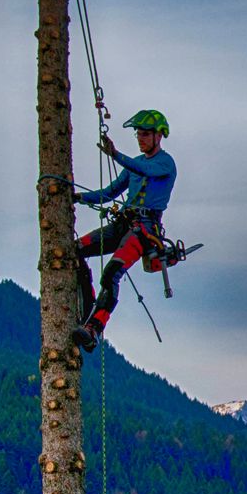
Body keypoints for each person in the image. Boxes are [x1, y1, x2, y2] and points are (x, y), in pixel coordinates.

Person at [71, 109, 176, 352]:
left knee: (112, 273)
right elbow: (109, 193)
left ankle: (93, 329)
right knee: (77, 249)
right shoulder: (134, 165)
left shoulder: (165, 163)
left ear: (159, 136)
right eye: (138, 135)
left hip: (144, 229)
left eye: (146, 134)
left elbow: (146, 171)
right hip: (123, 224)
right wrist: (77, 197)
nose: (141, 139)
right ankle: (86, 310)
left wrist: (116, 154)